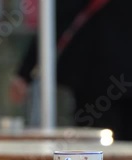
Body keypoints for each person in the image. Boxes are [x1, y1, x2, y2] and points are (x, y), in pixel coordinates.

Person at [10, 0, 132, 140]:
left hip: (95, 78)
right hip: (101, 78)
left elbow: (55, 21)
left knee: (93, 145)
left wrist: (24, 73)